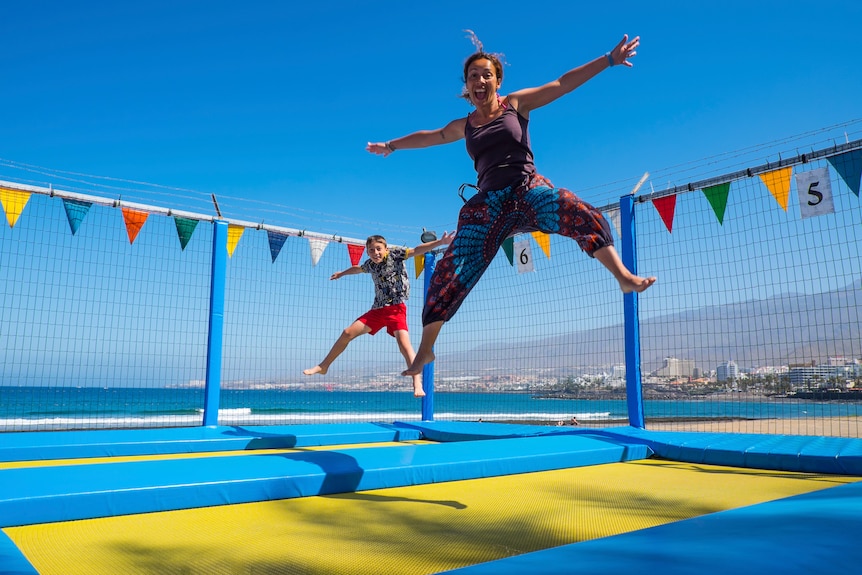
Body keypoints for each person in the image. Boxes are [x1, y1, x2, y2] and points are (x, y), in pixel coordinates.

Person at [366, 31, 655, 377]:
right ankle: (425, 351)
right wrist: (391, 145)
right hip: (489, 204)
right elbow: (431, 137)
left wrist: (608, 60)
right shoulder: (465, 125)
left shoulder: (516, 105)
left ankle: (623, 277)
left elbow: (562, 83)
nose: (479, 80)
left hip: (526, 189)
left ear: (497, 80)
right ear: (467, 87)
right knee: (449, 269)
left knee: (575, 209)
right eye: (473, 76)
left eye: (486, 74)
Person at [303, 232, 453, 396]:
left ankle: (417, 383)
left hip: (396, 309)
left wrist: (440, 242)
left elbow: (417, 250)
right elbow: (357, 269)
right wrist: (342, 273)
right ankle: (324, 366)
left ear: (386, 248)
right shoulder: (371, 265)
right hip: (377, 310)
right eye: (371, 250)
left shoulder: (396, 255)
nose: (375, 253)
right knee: (347, 332)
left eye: (378, 249)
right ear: (368, 252)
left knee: (404, 345)